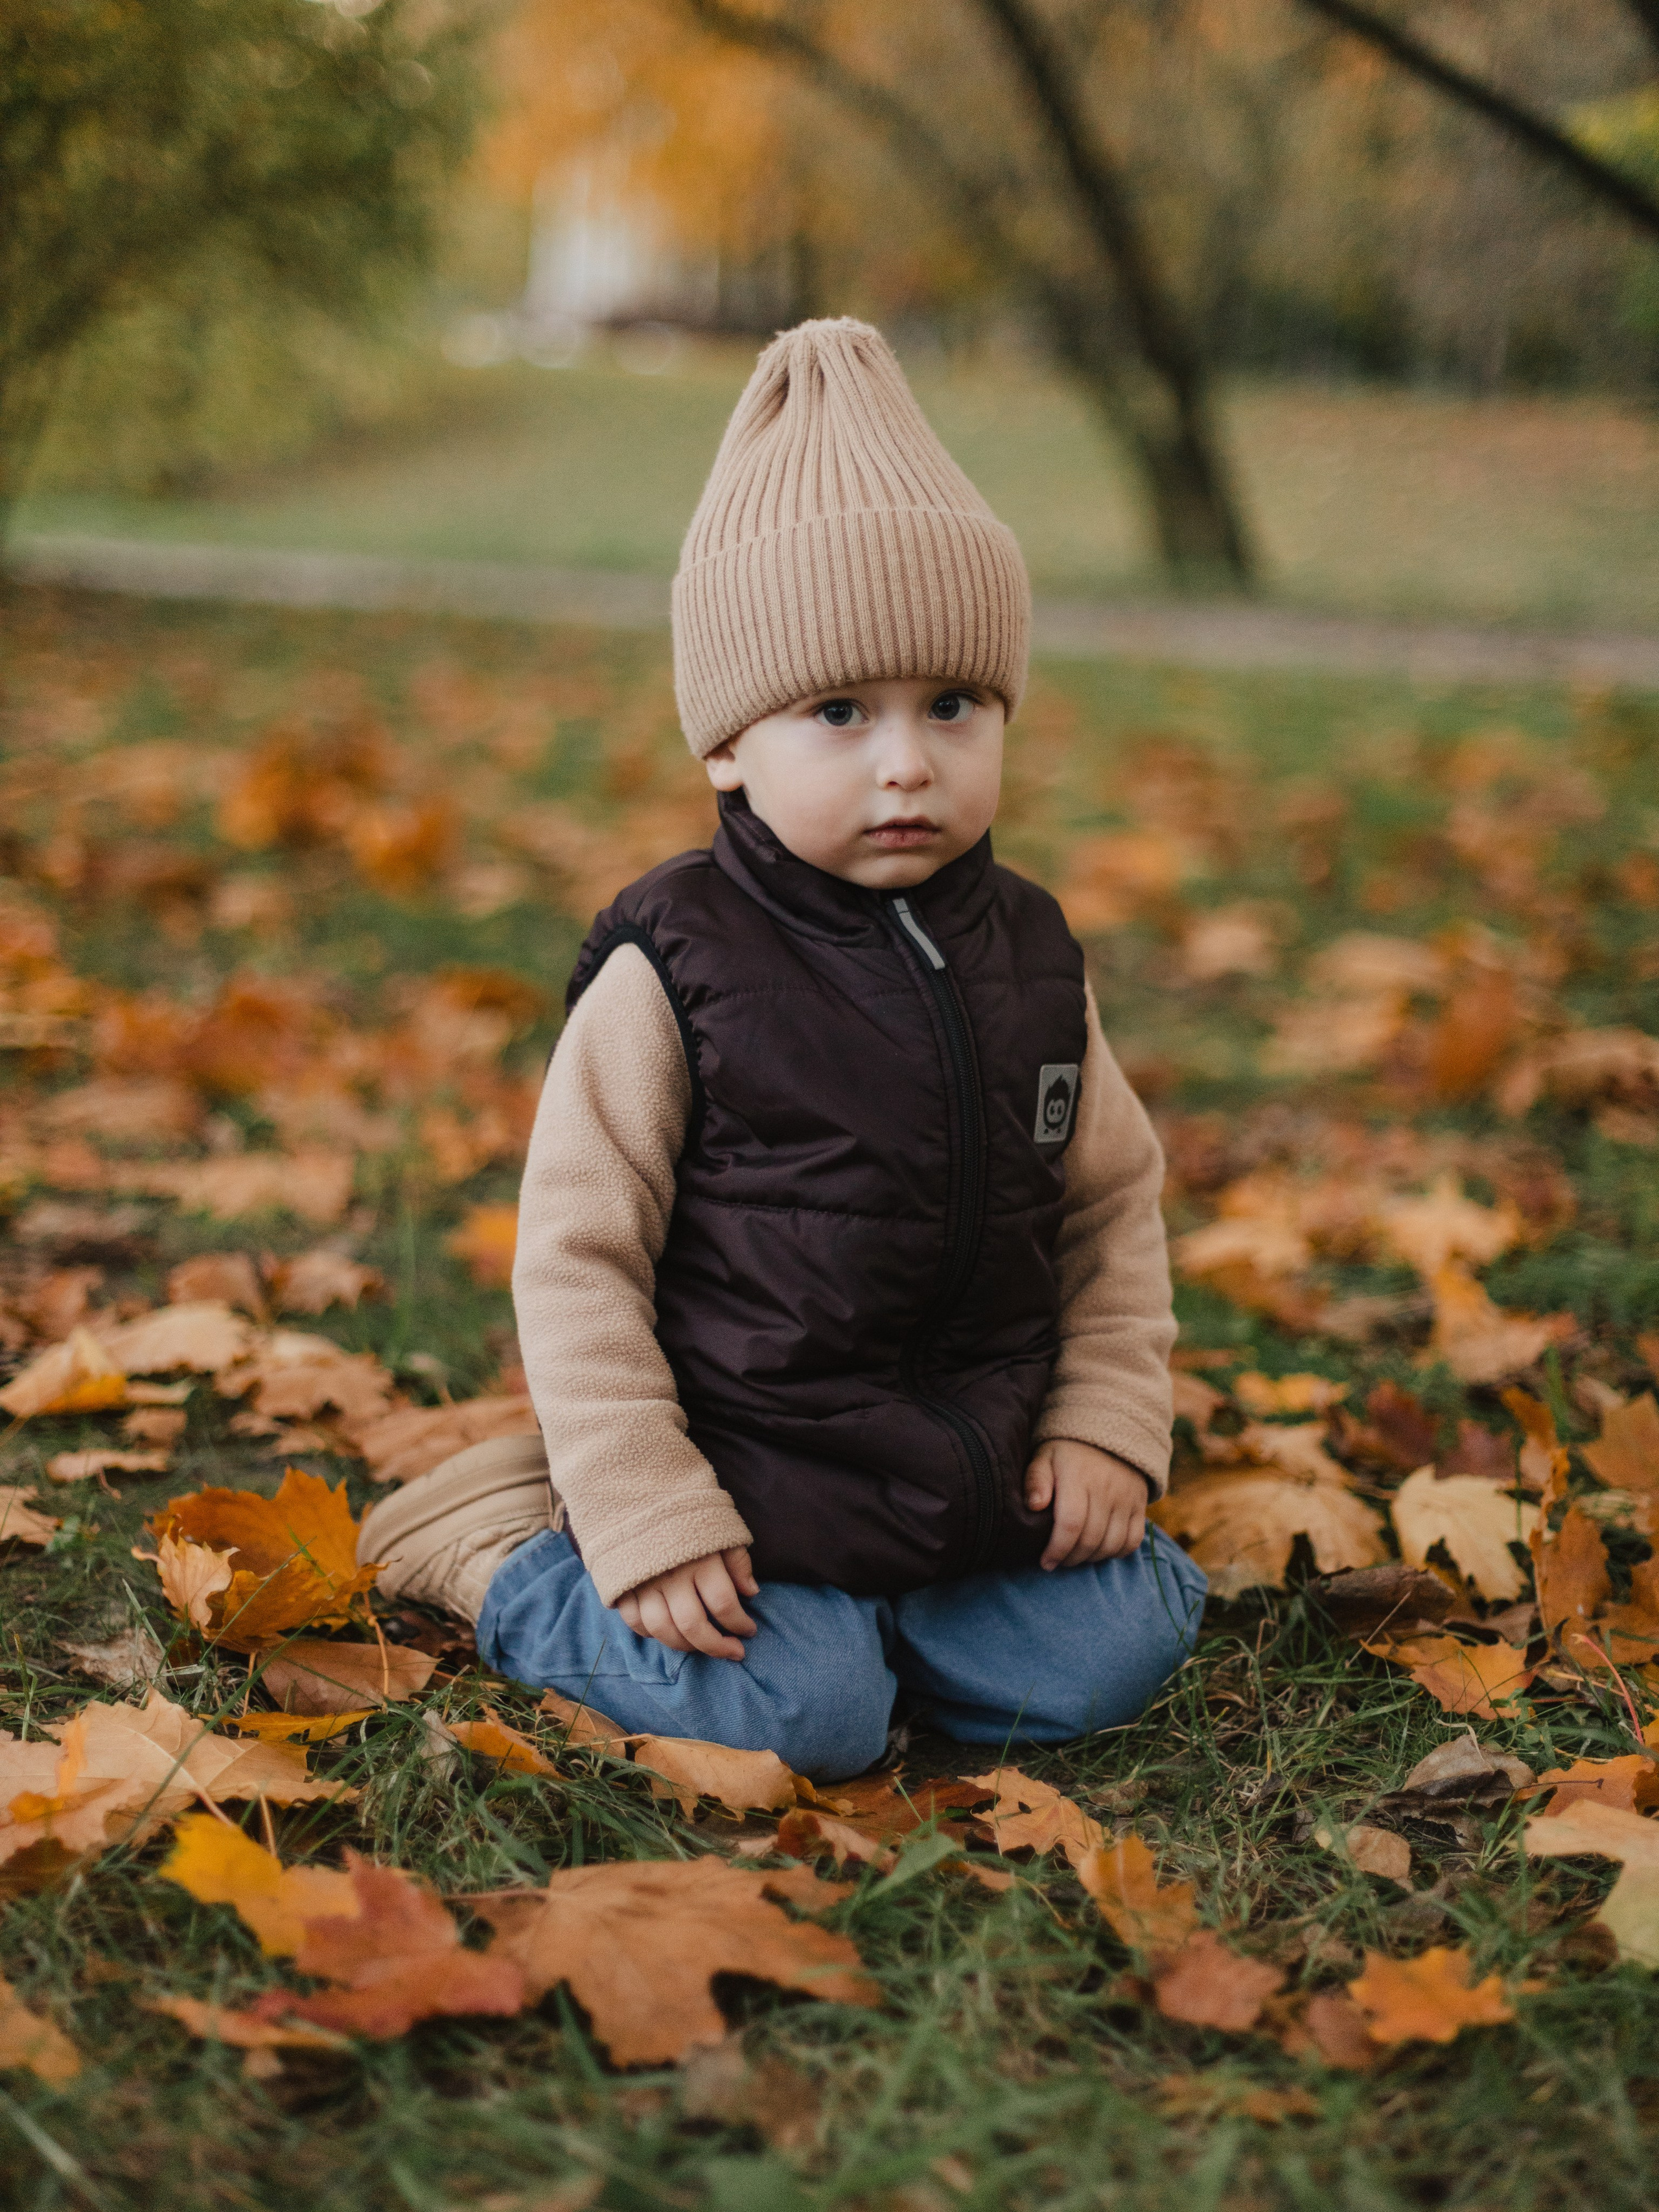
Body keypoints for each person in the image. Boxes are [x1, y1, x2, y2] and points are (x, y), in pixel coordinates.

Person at [358, 317, 1205, 1778]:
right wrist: (646, 1503)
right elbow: (578, 1258)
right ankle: (513, 1547)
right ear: (726, 746)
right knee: (809, 1718)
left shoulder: (1032, 957)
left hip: (966, 1483)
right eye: (837, 712)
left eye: (952, 705)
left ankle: (899, 1639)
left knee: (1113, 1649)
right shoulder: (674, 968)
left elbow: (1107, 1209)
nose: (904, 760)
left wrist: (1107, 1420)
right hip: (743, 1483)